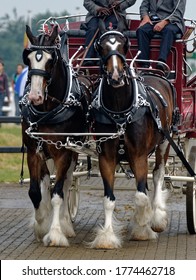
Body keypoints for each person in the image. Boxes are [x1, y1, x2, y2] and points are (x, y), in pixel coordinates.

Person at [136, 0, 186, 71]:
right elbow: (144, 6)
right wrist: (145, 17)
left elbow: (178, 13)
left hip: (172, 21)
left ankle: (161, 62)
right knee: (141, 30)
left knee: (169, 30)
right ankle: (144, 64)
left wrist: (164, 22)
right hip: (153, 21)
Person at [83, 0, 136, 66]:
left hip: (117, 14)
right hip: (95, 15)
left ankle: (112, 58)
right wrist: (98, 9)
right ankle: (89, 57)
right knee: (92, 29)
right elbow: (87, 2)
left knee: (111, 30)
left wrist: (120, 5)